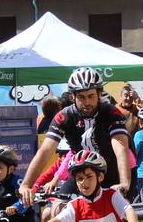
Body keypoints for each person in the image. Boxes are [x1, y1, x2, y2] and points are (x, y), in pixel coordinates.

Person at [21, 67, 133, 208]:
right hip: (80, 174)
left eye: (91, 96)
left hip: (112, 174)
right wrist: (26, 185)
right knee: (52, 211)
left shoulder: (111, 113)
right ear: (73, 96)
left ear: (99, 94)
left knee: (116, 214)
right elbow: (45, 151)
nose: (87, 102)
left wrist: (124, 182)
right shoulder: (64, 116)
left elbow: (121, 147)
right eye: (81, 97)